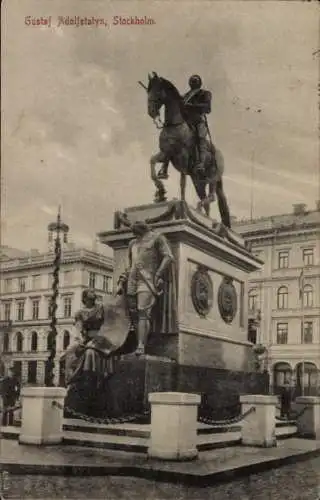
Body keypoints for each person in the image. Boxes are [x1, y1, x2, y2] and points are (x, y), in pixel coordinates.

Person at [119, 220, 178, 356]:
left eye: (136, 232)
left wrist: (158, 274)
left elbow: (168, 257)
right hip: (132, 280)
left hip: (147, 280)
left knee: (143, 312)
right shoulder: (132, 243)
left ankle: (141, 346)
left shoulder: (157, 238)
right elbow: (129, 265)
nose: (134, 235)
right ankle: (139, 343)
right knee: (133, 313)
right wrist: (122, 281)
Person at [62, 289, 120, 417]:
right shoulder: (80, 313)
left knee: (89, 352)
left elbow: (108, 325)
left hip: (102, 338)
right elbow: (78, 329)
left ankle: (90, 377)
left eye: (93, 297)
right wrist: (79, 341)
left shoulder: (101, 309)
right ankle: (71, 381)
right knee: (70, 351)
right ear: (85, 299)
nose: (92, 299)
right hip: (87, 339)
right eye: (90, 297)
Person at [158, 74, 212, 180]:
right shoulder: (185, 96)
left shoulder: (205, 93)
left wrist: (191, 106)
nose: (193, 82)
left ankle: (201, 163)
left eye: (195, 81)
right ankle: (164, 167)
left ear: (199, 83)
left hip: (198, 122)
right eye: (192, 81)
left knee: (200, 138)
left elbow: (207, 108)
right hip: (186, 122)